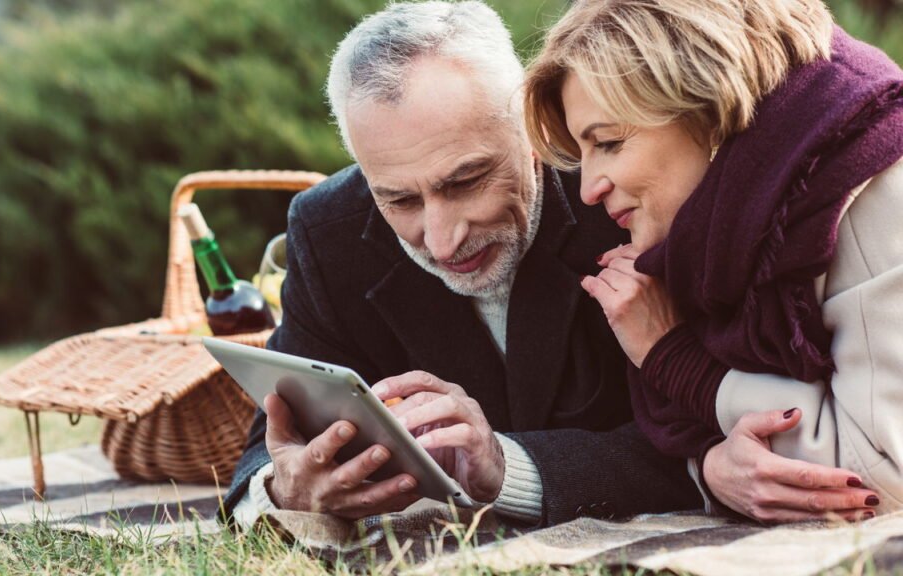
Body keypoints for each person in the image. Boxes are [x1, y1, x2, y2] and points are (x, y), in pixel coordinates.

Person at [221, 1, 703, 528]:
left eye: (466, 181)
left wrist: (505, 468)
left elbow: (703, 442)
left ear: (532, 128)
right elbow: (267, 451)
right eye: (400, 200)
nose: (442, 241)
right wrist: (285, 488)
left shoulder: (623, 203)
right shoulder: (327, 231)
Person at [524, 0, 902, 522]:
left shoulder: (871, 187)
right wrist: (713, 466)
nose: (588, 189)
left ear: (709, 108)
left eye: (608, 143)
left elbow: (884, 474)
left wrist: (674, 360)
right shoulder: (709, 234)